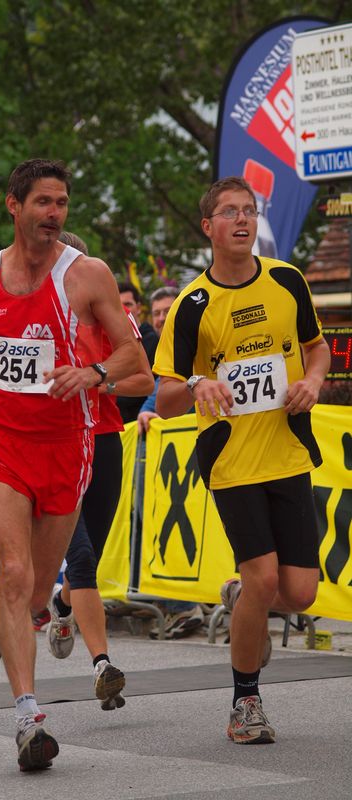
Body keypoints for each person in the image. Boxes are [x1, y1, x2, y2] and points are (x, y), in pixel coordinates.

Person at [0, 158, 141, 771]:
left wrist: (93, 373)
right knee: (16, 571)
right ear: (14, 205)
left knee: (38, 591)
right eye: (44, 202)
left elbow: (133, 356)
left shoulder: (86, 274)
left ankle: (4, 614)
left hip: (67, 445)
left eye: (62, 203)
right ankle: (28, 719)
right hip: (0, 442)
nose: (54, 214)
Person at [154, 176, 330, 744]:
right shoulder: (192, 305)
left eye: (249, 211)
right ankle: (245, 703)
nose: (242, 220)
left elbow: (318, 348)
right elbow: (165, 395)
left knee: (299, 592)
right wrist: (198, 383)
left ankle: (240, 597)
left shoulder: (287, 281)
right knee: (264, 577)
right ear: (208, 227)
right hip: (230, 461)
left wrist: (313, 382)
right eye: (230, 212)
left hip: (288, 452)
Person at [43, 231, 155, 710]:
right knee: (83, 558)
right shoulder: (34, 313)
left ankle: (62, 604)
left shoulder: (111, 314)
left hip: (105, 440)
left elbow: (145, 379)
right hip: (55, 446)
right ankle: (103, 666)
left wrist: (98, 380)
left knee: (89, 559)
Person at [136, 286, 205, 639]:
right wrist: (147, 415)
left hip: (212, 455)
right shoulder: (164, 356)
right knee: (165, 526)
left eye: (169, 310)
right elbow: (154, 400)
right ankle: (179, 603)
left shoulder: (202, 340)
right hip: (176, 465)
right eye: (157, 313)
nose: (162, 318)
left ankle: (190, 604)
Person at [115, 281, 159, 423]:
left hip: (143, 422)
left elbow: (150, 384)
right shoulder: (113, 341)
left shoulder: (151, 340)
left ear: (139, 308)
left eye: (127, 304)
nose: (123, 310)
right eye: (117, 305)